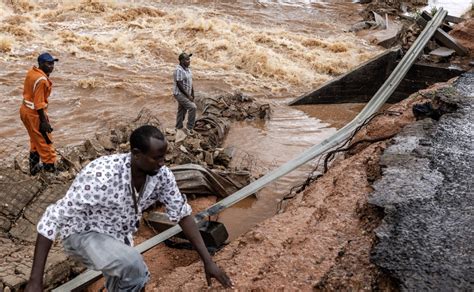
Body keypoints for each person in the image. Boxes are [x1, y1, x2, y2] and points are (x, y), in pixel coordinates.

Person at [25, 125, 233, 291]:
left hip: (118, 236)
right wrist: (36, 281)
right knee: (133, 266)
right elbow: (52, 218)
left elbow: (182, 215)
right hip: (82, 234)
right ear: (136, 154)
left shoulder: (161, 176)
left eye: (164, 157)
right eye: (156, 158)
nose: (163, 163)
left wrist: (208, 261)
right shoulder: (101, 176)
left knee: (129, 280)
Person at [20, 52, 59, 175]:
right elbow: (39, 104)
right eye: (48, 64)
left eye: (53, 63)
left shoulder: (32, 72)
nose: (51, 66)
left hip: (25, 110)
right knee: (45, 140)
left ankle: (34, 168)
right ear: (41, 64)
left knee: (35, 140)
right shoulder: (42, 81)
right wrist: (44, 122)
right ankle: (50, 169)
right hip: (35, 113)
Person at [173, 52, 196, 135]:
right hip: (179, 93)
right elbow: (179, 85)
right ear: (182, 61)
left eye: (189, 59)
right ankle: (189, 128)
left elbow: (190, 81)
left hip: (187, 93)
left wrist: (192, 93)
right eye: (187, 60)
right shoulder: (178, 70)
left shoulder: (188, 69)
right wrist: (188, 95)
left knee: (182, 110)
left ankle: (178, 127)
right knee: (193, 107)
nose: (189, 61)